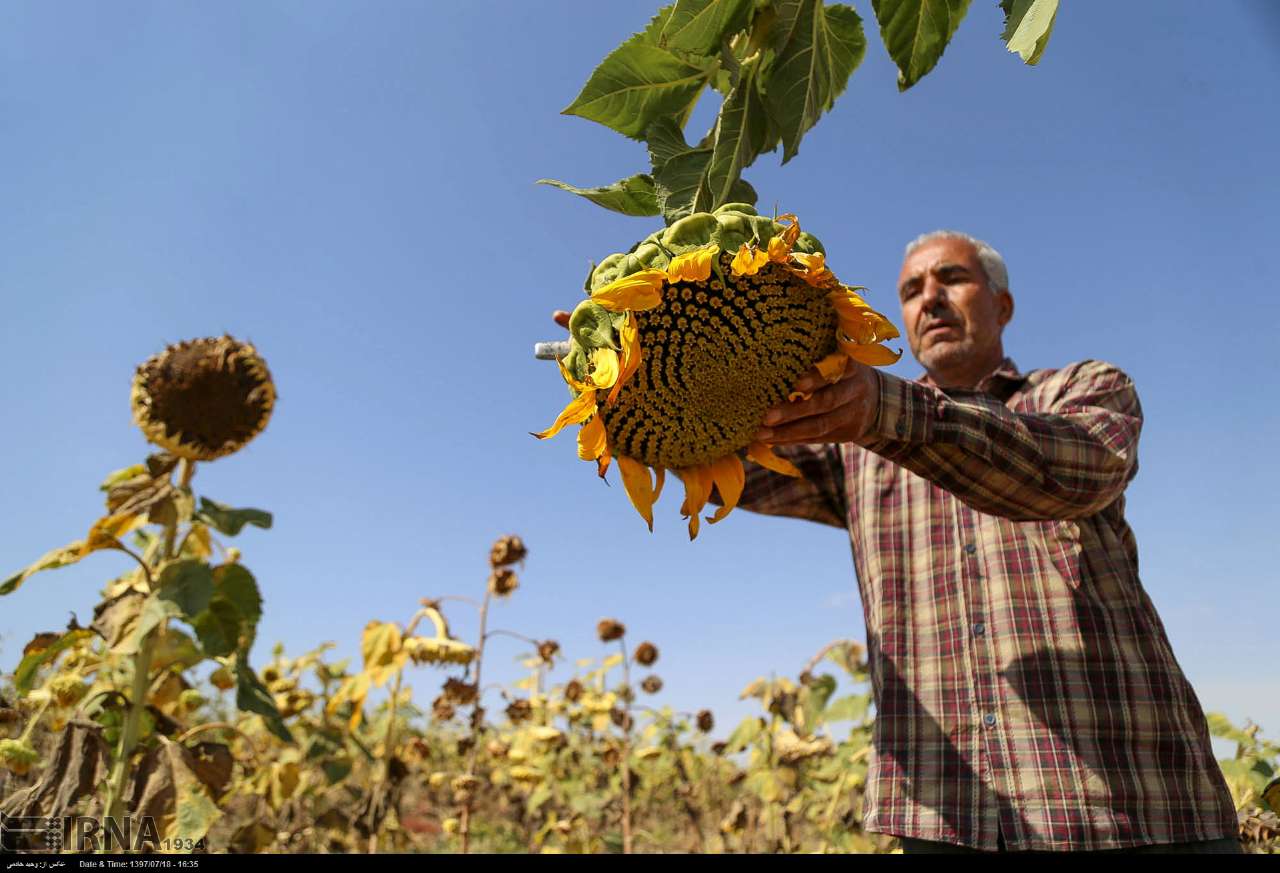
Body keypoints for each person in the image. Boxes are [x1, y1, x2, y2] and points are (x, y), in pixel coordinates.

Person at [741, 231, 1242, 853]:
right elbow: (725, 456)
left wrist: (884, 414)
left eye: (951, 278)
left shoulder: (1083, 390)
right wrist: (630, 378)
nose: (930, 300)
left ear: (1003, 305)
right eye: (910, 290)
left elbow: (1075, 468)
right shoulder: (852, 450)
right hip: (944, 815)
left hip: (1131, 799)